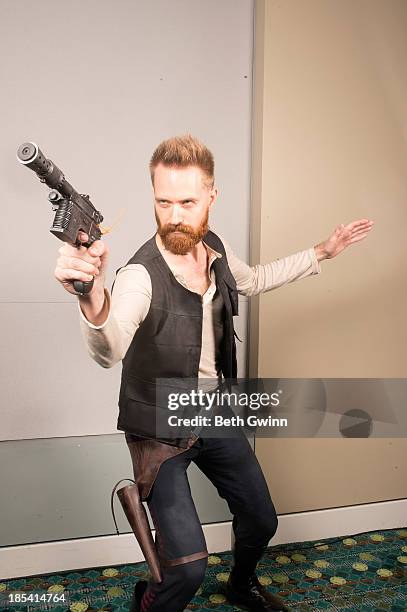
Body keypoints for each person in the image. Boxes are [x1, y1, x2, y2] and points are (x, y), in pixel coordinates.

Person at [54, 134, 374, 612]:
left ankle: (240, 585)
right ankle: (154, 601)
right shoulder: (140, 275)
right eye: (164, 202)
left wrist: (321, 252)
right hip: (160, 430)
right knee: (185, 569)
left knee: (261, 519)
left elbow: (255, 279)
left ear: (211, 196)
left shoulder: (215, 249)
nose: (176, 215)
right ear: (154, 198)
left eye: (187, 201)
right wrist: (88, 295)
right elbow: (109, 347)